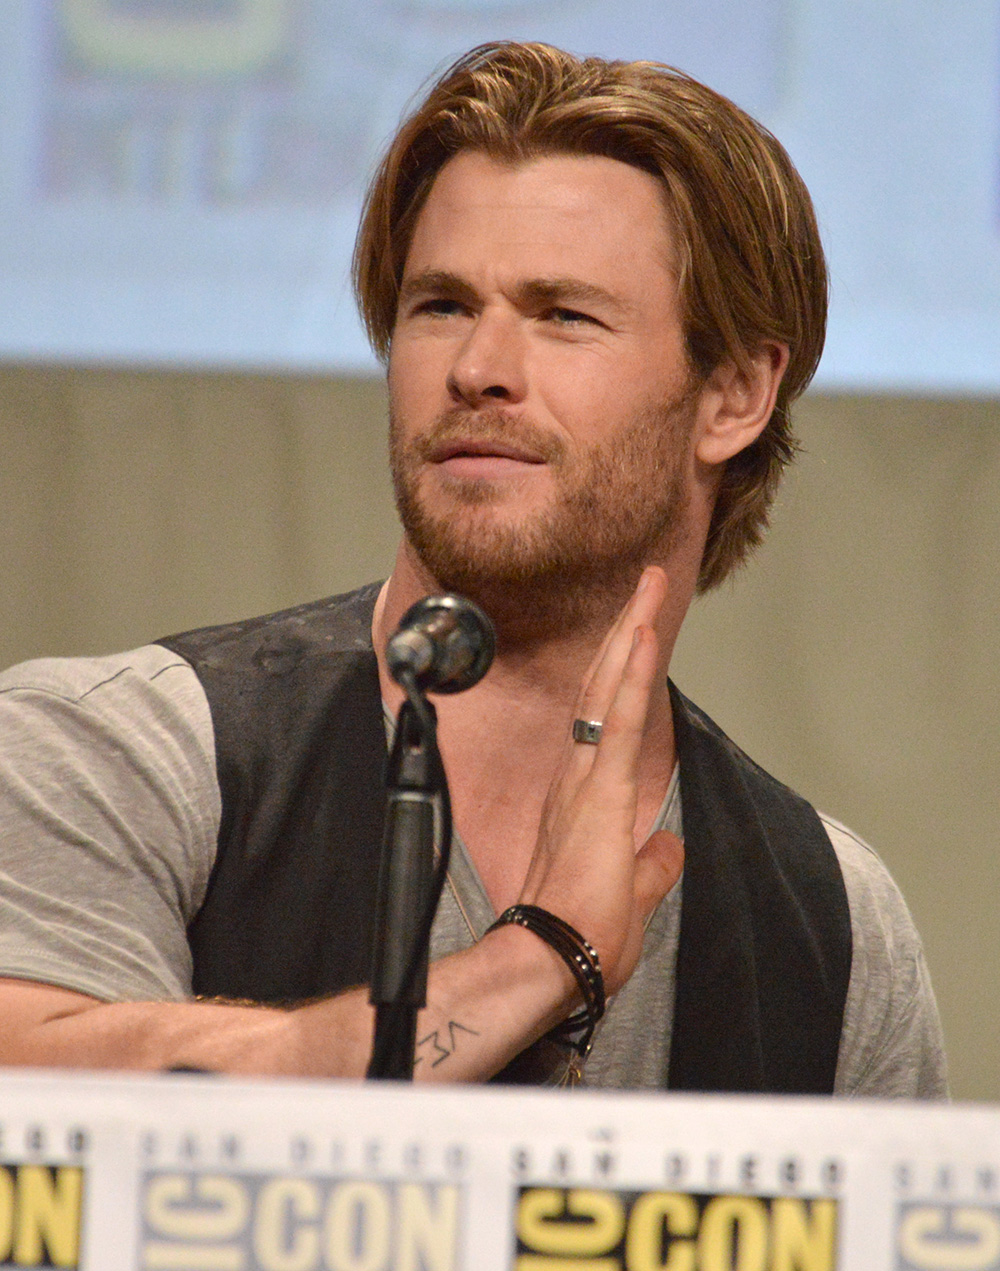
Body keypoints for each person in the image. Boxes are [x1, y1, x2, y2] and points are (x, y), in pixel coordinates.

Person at [0, 42, 945, 1095]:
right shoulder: (116, 753)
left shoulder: (833, 924)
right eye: (440, 306)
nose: (477, 369)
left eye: (564, 315)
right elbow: (55, 1118)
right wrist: (541, 957)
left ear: (733, 396)